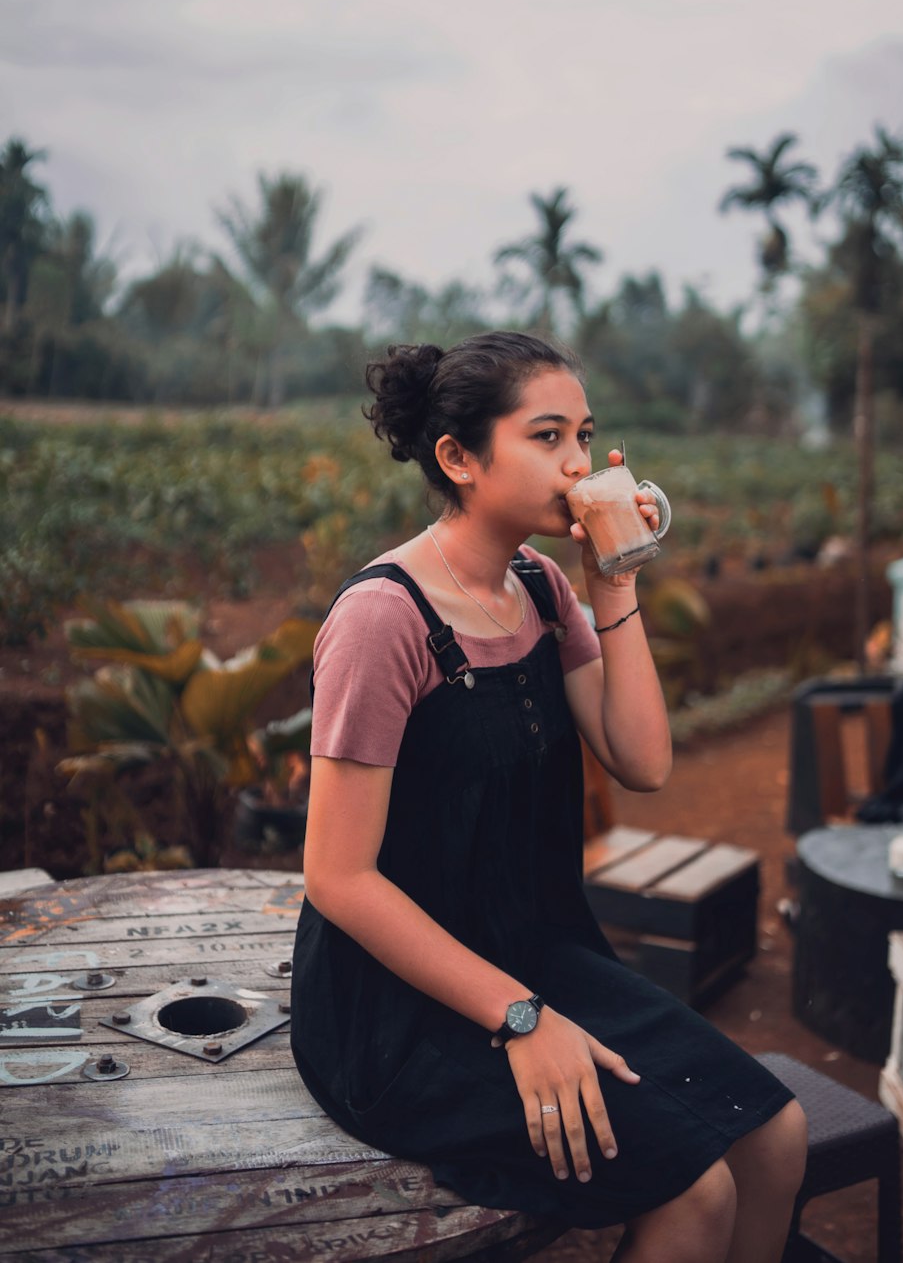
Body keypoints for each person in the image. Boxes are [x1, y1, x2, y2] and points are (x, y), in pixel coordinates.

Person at [292, 331, 806, 1263]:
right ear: (458, 458)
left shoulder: (537, 588)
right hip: (401, 1010)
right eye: (547, 436)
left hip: (539, 955)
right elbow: (336, 876)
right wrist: (521, 1019)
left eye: (585, 434)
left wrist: (615, 579)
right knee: (696, 1193)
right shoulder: (383, 621)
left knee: (776, 1142)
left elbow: (642, 760)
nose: (578, 462)